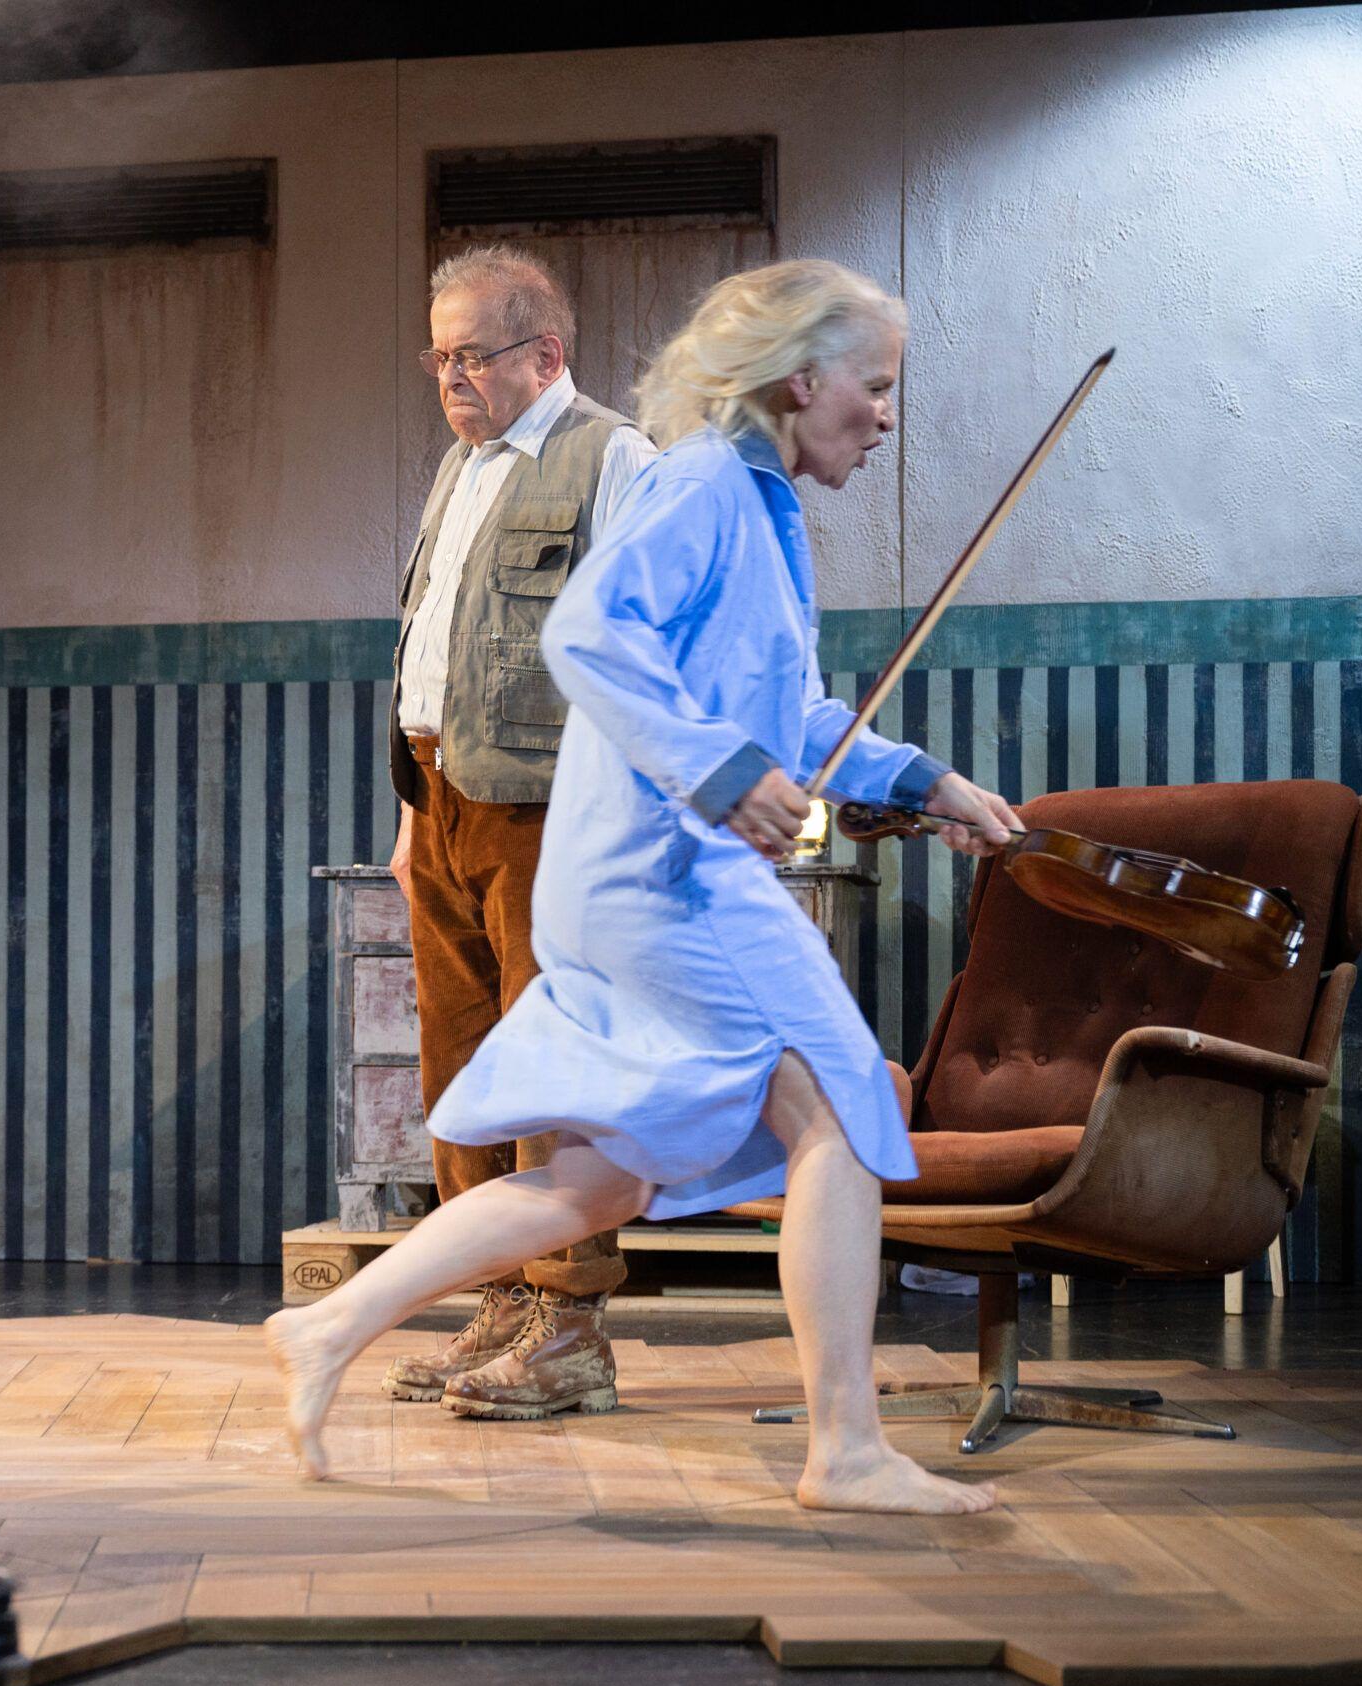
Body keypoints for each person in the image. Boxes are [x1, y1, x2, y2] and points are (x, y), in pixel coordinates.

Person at [270, 261, 1026, 1515]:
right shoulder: (703, 484)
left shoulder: (758, 504)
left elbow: (790, 717)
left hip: (628, 873)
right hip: (664, 875)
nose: (887, 417)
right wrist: (721, 768)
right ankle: (844, 1451)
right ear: (802, 377)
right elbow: (584, 635)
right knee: (839, 1110)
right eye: (876, 386)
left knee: (605, 1173)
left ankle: (334, 1323)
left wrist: (929, 779)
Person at [383, 244, 656, 1421]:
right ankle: (494, 1296)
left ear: (545, 353)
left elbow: (646, 640)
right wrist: (404, 812)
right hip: (442, 799)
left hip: (552, 810)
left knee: (552, 1063)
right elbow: (431, 653)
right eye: (438, 356)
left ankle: (570, 1322)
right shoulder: (460, 467)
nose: (450, 377)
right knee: (464, 1067)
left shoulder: (614, 458)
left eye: (471, 355)